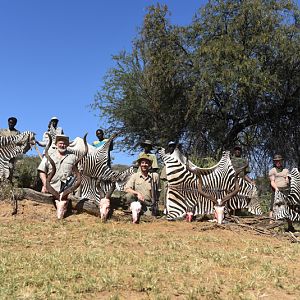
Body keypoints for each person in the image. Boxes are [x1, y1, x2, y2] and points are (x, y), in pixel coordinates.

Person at [268, 154, 290, 222]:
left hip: (285, 190)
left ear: (281, 161)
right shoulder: (272, 170)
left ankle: (290, 225)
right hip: (276, 190)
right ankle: (270, 223)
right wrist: (276, 189)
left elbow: (287, 179)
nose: (278, 162)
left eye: (279, 161)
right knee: (273, 207)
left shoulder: (286, 170)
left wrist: (287, 180)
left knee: (288, 207)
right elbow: (272, 181)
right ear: (274, 162)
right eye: (276, 161)